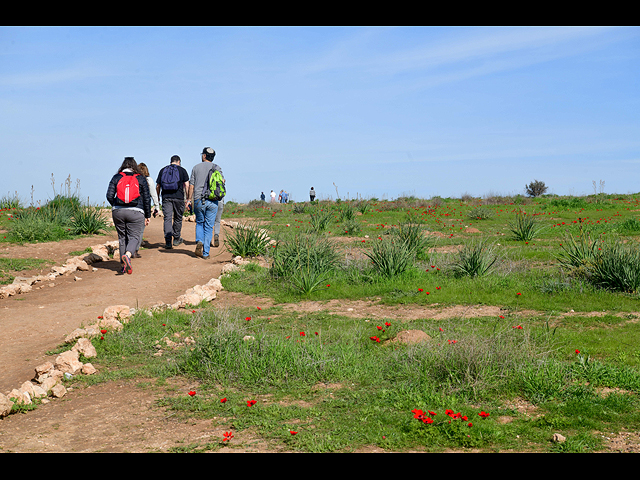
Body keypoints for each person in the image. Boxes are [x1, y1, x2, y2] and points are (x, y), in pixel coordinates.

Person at [106, 157, 151, 275]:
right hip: (136, 211)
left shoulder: (117, 177)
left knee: (122, 237)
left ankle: (122, 266)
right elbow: (146, 198)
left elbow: (109, 195)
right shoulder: (140, 178)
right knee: (134, 237)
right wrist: (147, 215)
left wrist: (116, 205)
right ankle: (127, 255)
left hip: (118, 212)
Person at [187, 147, 225, 259]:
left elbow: (191, 186)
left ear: (204, 156)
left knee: (199, 222)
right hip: (213, 200)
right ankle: (206, 253)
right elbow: (222, 182)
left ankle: (199, 241)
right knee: (209, 226)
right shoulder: (217, 168)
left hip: (199, 199)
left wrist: (189, 199)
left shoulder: (195, 168)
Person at [156, 155, 190, 249]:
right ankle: (176, 239)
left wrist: (157, 197)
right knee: (178, 218)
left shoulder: (163, 170)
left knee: (167, 218)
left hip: (166, 197)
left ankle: (168, 241)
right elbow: (187, 185)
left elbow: (158, 185)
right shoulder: (182, 170)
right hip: (179, 197)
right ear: (179, 161)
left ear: (170, 161)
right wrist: (188, 198)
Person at [134, 163, 159, 258]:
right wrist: (157, 207)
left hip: (132, 206)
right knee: (140, 231)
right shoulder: (149, 180)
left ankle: (128, 249)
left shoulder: (134, 179)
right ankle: (135, 250)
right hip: (143, 208)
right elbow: (154, 195)